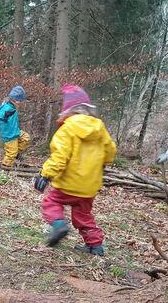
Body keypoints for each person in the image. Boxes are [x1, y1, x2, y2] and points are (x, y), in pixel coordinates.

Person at [33, 84, 117, 256]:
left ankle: (59, 226)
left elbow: (60, 157)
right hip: (89, 186)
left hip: (68, 183)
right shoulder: (100, 128)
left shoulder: (67, 129)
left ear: (67, 110)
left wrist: (45, 174)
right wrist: (102, 163)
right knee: (83, 213)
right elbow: (110, 152)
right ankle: (95, 246)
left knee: (51, 202)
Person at [0, 86, 30, 166]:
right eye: (18, 100)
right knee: (11, 153)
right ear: (13, 99)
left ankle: (17, 153)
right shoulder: (7, 106)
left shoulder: (13, 107)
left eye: (20, 100)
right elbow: (0, 115)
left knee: (26, 137)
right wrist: (5, 115)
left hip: (15, 131)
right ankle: (5, 168)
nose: (19, 102)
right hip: (9, 135)